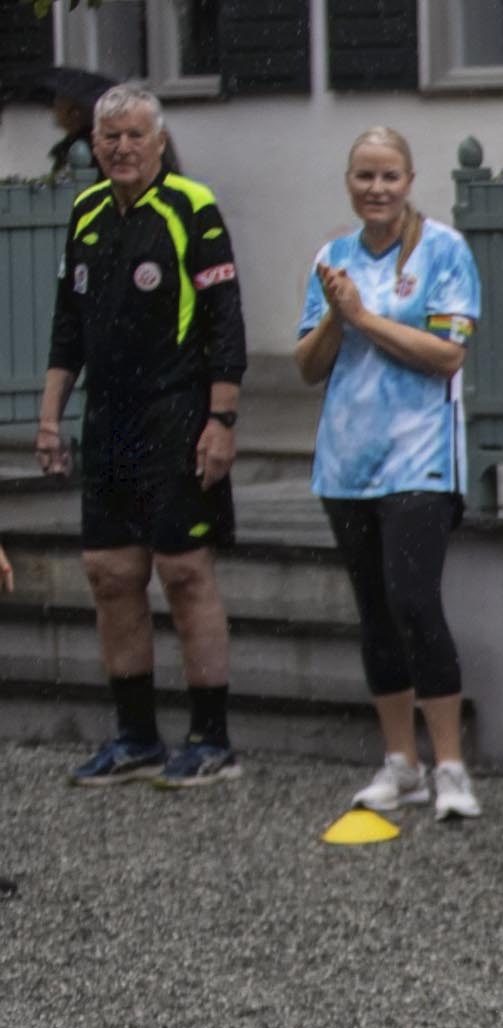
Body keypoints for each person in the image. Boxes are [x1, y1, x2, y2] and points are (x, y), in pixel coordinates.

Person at [38, 85, 244, 791]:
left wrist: (223, 420)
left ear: (158, 143)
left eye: (134, 135)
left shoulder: (193, 206)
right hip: (108, 424)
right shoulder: (86, 210)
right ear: (94, 146)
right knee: (109, 574)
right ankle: (135, 738)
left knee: (186, 574)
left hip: (177, 416)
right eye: (110, 137)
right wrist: (49, 416)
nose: (122, 148)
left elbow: (225, 318)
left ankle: (211, 739)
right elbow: (69, 322)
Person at [296, 128, 482, 823]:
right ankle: (399, 761)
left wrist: (363, 316)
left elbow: (445, 353)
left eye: (390, 177)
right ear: (349, 182)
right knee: (373, 609)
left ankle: (452, 766)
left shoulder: (444, 251)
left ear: (409, 180)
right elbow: (308, 365)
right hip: (347, 460)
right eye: (364, 176)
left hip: (420, 457)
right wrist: (337, 322)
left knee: (414, 600)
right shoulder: (331, 257)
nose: (377, 189)